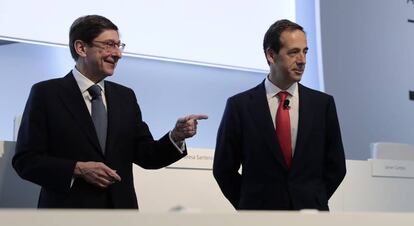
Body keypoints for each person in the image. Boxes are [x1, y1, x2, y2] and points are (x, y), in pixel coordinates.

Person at [12, 15, 208, 209]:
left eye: (119, 45)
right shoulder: (46, 94)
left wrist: (176, 136)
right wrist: (77, 169)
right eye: (108, 45)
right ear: (81, 48)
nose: (118, 54)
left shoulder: (125, 97)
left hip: (120, 213)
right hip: (67, 214)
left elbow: (148, 156)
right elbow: (26, 160)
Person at [213, 19, 346, 210]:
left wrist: (314, 199)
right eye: (293, 52)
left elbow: (336, 166)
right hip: (259, 218)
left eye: (305, 51)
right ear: (271, 55)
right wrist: (249, 204)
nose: (302, 60)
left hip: (310, 217)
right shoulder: (239, 106)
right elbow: (223, 169)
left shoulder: (322, 105)